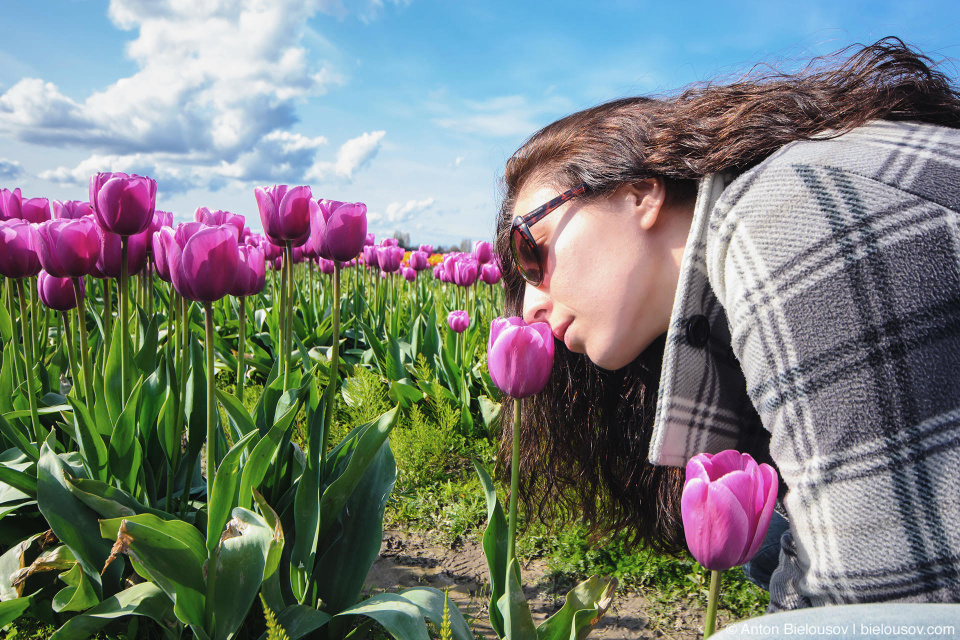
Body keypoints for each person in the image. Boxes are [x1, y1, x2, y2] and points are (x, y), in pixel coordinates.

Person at [493, 37, 960, 612]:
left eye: (529, 253)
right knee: (765, 526)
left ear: (641, 192)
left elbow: (888, 610)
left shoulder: (783, 217)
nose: (527, 309)